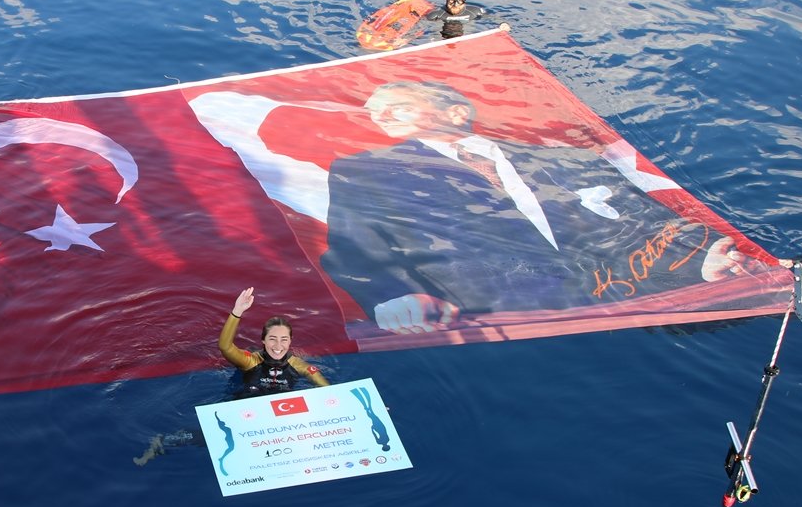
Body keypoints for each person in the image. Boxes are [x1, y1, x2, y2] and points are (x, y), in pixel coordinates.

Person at [320, 80, 761, 334]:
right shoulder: (365, 170)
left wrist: (698, 262)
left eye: (397, 106)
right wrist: (392, 299)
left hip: (621, 304)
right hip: (502, 322)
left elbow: (637, 218)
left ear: (456, 113)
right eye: (376, 113)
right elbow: (353, 248)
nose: (382, 117)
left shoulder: (562, 157)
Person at [133, 287, 331, 466]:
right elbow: (225, 347)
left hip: (275, 418)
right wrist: (237, 312)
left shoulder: (300, 365)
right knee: (212, 441)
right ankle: (163, 441)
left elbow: (328, 392)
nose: (278, 346)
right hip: (243, 413)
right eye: (272, 339)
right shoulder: (251, 361)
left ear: (290, 341)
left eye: (283, 340)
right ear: (263, 340)